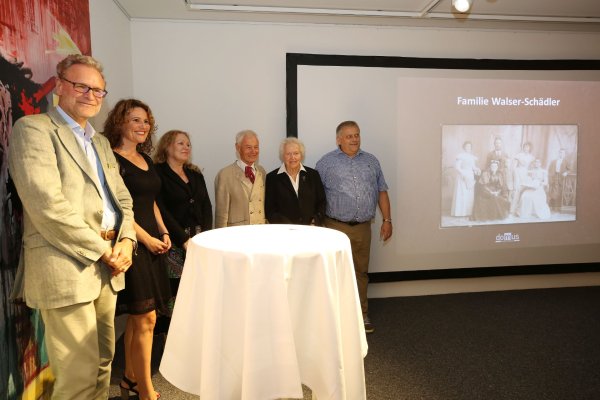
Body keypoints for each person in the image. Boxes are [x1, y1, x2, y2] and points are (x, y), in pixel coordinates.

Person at [8, 54, 136, 399]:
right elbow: (46, 205)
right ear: (59, 86)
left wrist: (126, 241)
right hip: (65, 265)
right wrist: (104, 250)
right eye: (81, 86)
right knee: (77, 376)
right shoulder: (33, 130)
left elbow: (123, 200)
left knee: (102, 366)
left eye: (98, 90)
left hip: (109, 266)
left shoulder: (100, 142)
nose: (90, 95)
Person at [103, 99, 172, 400]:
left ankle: (130, 380)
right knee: (146, 319)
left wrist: (164, 231)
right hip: (131, 244)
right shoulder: (112, 160)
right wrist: (145, 239)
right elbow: (118, 208)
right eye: (135, 120)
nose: (143, 126)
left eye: (146, 121)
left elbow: (151, 201)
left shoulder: (146, 159)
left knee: (138, 318)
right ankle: (146, 391)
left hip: (153, 243)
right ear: (120, 122)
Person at [316, 121, 392, 334]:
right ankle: (334, 318)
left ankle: (361, 315)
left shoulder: (371, 161)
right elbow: (315, 194)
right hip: (334, 227)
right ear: (338, 140)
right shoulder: (325, 163)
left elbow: (382, 191)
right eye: (349, 136)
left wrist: (387, 220)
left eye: (357, 135)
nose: (354, 139)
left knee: (360, 272)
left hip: (362, 228)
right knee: (334, 273)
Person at [154, 129, 213, 301]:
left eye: (188, 144)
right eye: (181, 143)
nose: (186, 147)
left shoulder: (195, 173)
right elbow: (161, 210)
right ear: (167, 147)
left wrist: (204, 236)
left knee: (200, 286)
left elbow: (206, 206)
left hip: (199, 239)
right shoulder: (157, 173)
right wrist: (183, 239)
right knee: (177, 291)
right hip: (172, 240)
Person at [265, 137, 326, 225]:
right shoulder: (272, 178)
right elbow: (270, 210)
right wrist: (288, 227)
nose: (292, 157)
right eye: (288, 154)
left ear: (301, 155)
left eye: (296, 153)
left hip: (311, 228)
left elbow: (322, 202)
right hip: (284, 230)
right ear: (282, 156)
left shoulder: (313, 175)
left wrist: (315, 221)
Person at [214, 129, 266, 228]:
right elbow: (221, 215)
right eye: (248, 147)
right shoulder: (225, 175)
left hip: (260, 231)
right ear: (238, 148)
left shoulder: (262, 172)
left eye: (256, 147)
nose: (253, 151)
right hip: (237, 233)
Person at [450, 141, 480, 218]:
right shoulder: (461, 156)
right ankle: (460, 212)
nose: (468, 148)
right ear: (464, 147)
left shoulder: (472, 157)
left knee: (469, 194)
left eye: (469, 146)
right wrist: (463, 174)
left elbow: (473, 167)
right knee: (462, 193)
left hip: (470, 176)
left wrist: (477, 169)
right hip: (462, 176)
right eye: (467, 146)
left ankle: (468, 212)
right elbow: (457, 167)